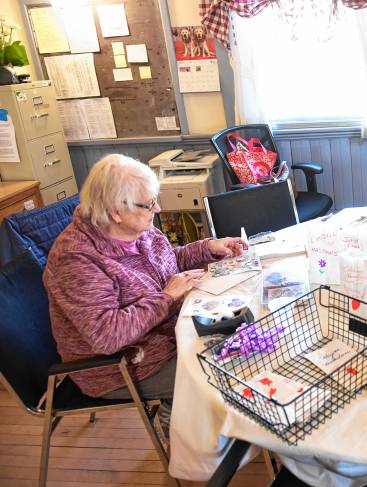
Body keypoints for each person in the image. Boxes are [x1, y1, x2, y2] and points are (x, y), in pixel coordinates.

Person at [43, 154, 247, 434]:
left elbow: (165, 263)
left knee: (245, 332)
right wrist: (166, 298)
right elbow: (107, 335)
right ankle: (174, 418)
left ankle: (189, 410)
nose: (158, 208)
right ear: (116, 211)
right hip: (124, 367)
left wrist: (208, 248)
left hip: (171, 333)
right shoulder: (77, 260)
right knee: (233, 367)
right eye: (149, 203)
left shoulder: (132, 227)